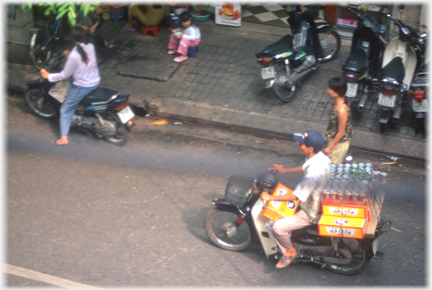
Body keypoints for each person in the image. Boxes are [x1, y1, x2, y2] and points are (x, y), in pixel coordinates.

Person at [260, 130, 331, 268]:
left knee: (278, 227)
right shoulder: (320, 157)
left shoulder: (314, 173)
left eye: (301, 144)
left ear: (309, 148)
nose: (298, 144)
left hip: (311, 211)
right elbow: (305, 168)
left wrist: (270, 197)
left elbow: (296, 196)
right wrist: (285, 170)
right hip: (314, 197)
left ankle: (289, 251)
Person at [40, 26, 100, 146]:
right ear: (84, 36)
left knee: (65, 109)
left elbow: (64, 76)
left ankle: (63, 139)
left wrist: (48, 76)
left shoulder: (74, 55)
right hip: (95, 81)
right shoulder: (91, 47)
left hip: (82, 86)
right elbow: (83, 58)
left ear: (72, 39)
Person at [324, 77, 353, 164]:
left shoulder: (342, 110)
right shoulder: (338, 103)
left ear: (336, 93)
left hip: (338, 144)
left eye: (330, 89)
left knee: (331, 167)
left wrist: (330, 148)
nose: (327, 90)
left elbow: (341, 132)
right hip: (334, 141)